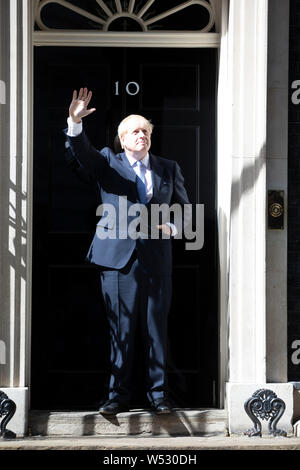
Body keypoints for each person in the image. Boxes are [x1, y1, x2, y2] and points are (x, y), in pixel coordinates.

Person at [64, 87, 191, 415]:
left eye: (146, 130)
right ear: (122, 138)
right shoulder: (108, 160)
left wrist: (173, 228)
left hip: (157, 259)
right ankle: (117, 396)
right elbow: (83, 154)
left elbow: (186, 210)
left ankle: (159, 396)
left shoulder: (168, 168)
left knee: (156, 329)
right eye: (135, 130)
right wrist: (75, 123)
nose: (142, 135)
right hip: (118, 260)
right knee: (120, 328)